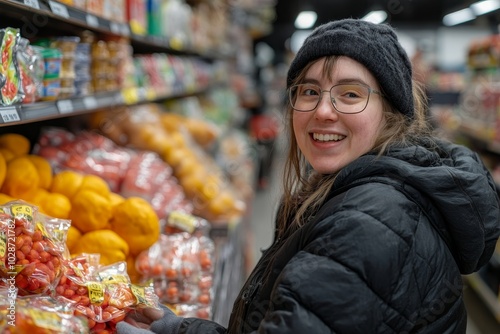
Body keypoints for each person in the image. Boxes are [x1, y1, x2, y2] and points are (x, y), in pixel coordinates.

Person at [117, 18, 500, 334]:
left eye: (350, 94)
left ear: (390, 113)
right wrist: (178, 329)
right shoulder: (350, 191)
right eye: (309, 91)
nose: (323, 111)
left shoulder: (371, 222)